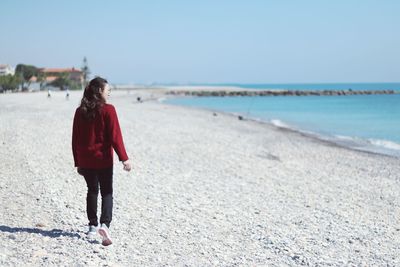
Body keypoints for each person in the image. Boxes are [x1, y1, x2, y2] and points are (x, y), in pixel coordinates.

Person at [72, 77, 132, 246]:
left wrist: (78, 162)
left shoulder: (79, 111)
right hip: (103, 160)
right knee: (107, 192)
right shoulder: (108, 110)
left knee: (92, 190)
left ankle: (92, 225)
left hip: (85, 160)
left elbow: (75, 139)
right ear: (99, 91)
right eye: (108, 90)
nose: (109, 93)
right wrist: (124, 158)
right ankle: (105, 224)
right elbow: (115, 137)